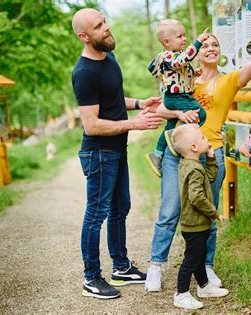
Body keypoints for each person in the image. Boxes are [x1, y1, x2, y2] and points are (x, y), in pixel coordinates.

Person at [145, 10, 251, 292]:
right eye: (206, 44)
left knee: (207, 214)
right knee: (170, 210)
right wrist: (178, 111)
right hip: (178, 155)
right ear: (196, 53)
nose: (210, 48)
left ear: (218, 53)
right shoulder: (185, 78)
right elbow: (161, 108)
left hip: (211, 154)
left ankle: (206, 269)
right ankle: (156, 266)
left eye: (215, 45)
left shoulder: (230, 79)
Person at [71, 8, 163, 299]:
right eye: (99, 26)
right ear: (84, 36)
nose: (107, 28)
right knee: (96, 215)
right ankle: (91, 278)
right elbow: (92, 124)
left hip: (116, 149)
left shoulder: (108, 56)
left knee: (121, 208)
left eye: (105, 21)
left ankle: (121, 267)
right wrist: (134, 125)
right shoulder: (83, 72)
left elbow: (110, 99)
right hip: (99, 154)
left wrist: (139, 103)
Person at [170, 124, 229, 310]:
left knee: (200, 255)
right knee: (192, 259)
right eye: (203, 137)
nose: (207, 140)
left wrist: (210, 158)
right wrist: (213, 212)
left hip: (196, 223)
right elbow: (196, 196)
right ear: (194, 147)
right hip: (195, 223)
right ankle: (181, 294)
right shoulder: (194, 169)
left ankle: (204, 287)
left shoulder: (189, 164)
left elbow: (208, 178)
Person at [145, 19, 209, 177]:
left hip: (179, 95)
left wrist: (194, 73)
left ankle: (158, 153)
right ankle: (178, 142)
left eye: (185, 35)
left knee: (170, 126)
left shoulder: (175, 56)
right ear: (166, 42)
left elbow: (179, 72)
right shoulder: (167, 56)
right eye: (180, 36)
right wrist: (198, 42)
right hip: (176, 96)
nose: (184, 39)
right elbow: (184, 60)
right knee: (200, 114)